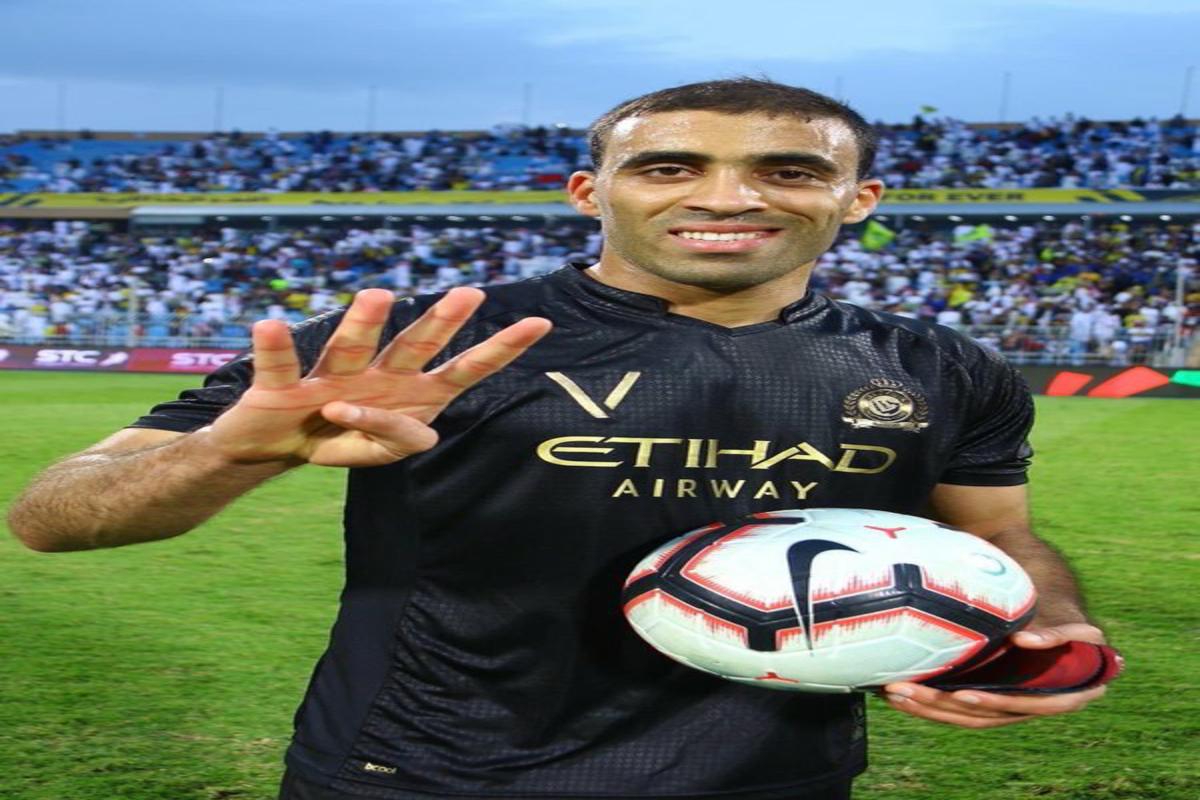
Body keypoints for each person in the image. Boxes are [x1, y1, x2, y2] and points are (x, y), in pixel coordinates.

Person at [8, 79, 1110, 800]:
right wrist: (231, 451)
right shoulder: (419, 341)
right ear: (590, 191)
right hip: (420, 773)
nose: (727, 196)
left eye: (789, 168)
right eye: (669, 165)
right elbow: (50, 517)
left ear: (858, 198)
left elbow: (998, 536)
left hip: (777, 776)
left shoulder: (940, 366)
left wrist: (1052, 622)